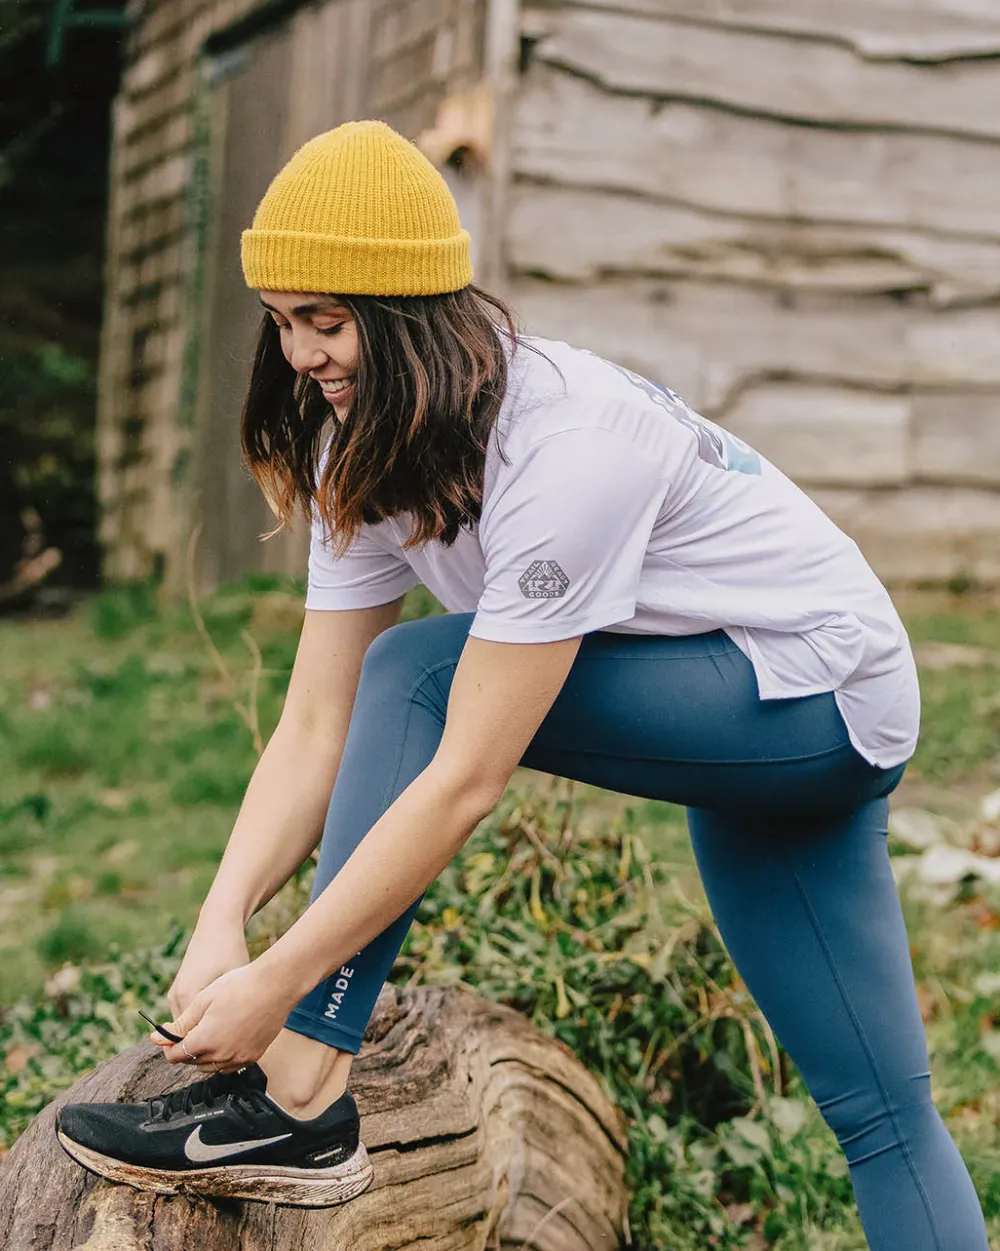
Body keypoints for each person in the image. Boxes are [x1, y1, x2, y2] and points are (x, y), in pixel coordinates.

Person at [55, 121, 988, 1248]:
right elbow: (314, 723)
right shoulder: (363, 444)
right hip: (747, 734)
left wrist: (283, 984)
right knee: (880, 1115)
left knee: (418, 670)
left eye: (328, 321)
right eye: (283, 323)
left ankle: (301, 1091)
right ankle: (299, 1072)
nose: (301, 356)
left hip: (817, 699)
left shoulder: (565, 446)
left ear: (410, 316)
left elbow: (463, 777)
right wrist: (222, 922)